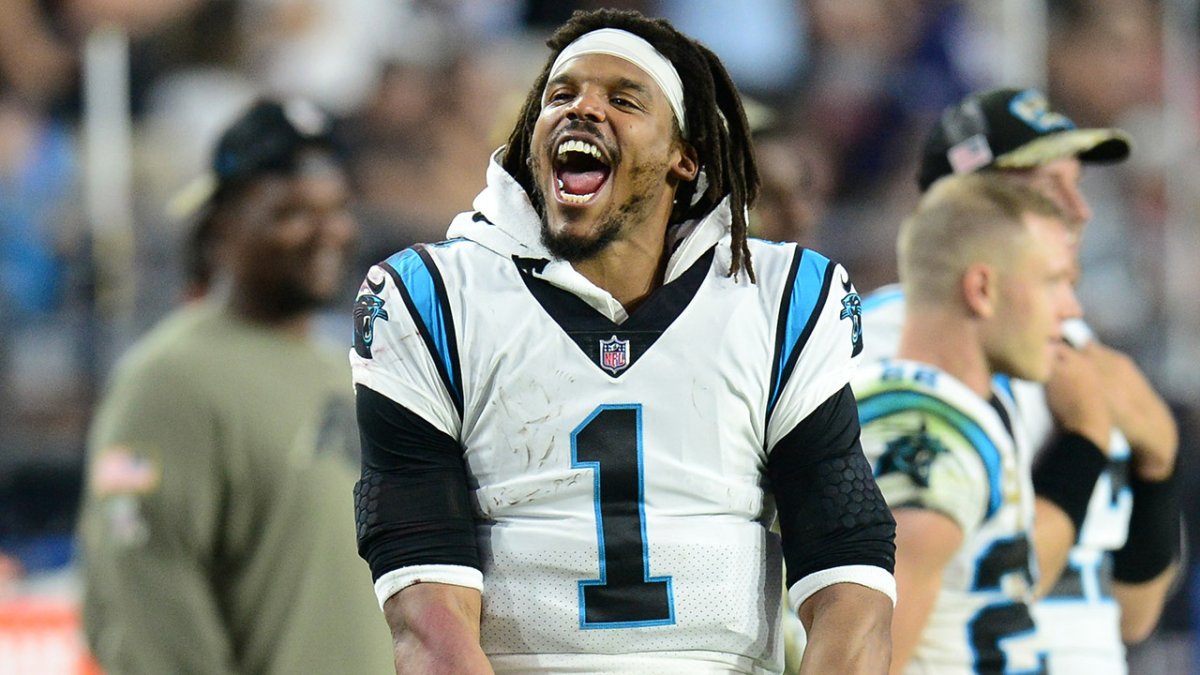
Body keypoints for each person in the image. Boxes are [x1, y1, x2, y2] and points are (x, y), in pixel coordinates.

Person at [350, 9, 896, 674]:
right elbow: (427, 617)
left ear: (683, 156)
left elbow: (851, 579)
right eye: (560, 94)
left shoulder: (778, 300)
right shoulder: (434, 299)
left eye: (623, 99)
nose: (582, 109)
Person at [860, 87, 1180, 673]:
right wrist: (1084, 439)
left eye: (1076, 185)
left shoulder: (1080, 351)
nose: (1078, 210)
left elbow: (1133, 615)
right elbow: (948, 580)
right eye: (1047, 187)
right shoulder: (893, 344)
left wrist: (1161, 466)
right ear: (969, 201)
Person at [77, 99, 394, 674]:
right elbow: (139, 593)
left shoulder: (350, 370)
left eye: (338, 208)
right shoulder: (168, 378)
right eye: (292, 211)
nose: (328, 231)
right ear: (223, 226)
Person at [856, 173, 1085, 672]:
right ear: (982, 289)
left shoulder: (954, 412)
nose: (1071, 309)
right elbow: (864, 659)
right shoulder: (926, 430)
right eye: (1054, 282)